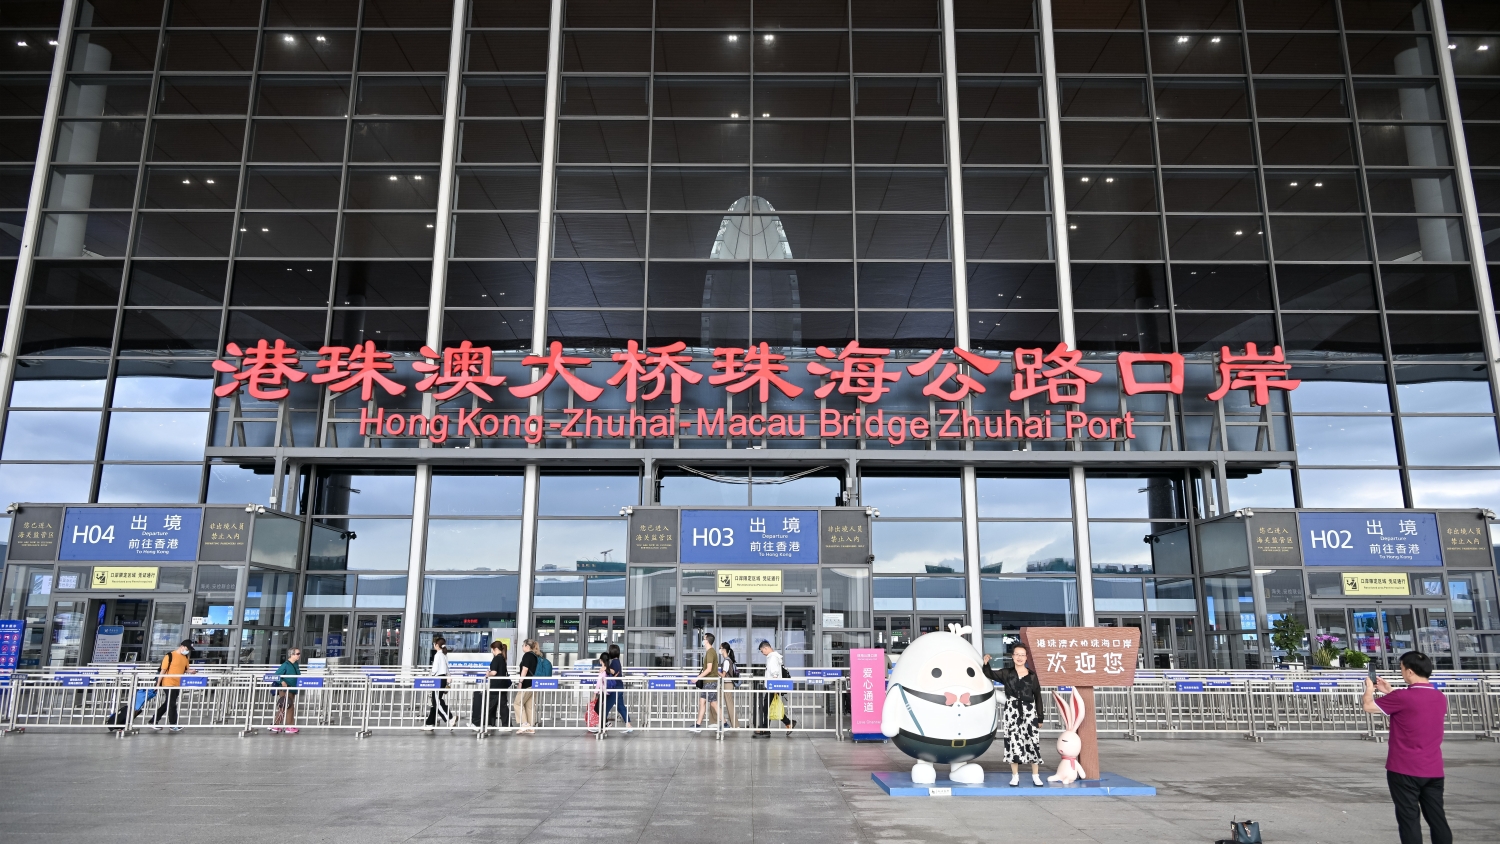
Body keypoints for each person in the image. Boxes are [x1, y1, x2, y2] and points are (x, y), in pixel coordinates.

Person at [1363, 651, 1451, 844]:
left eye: (1402, 668)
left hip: (1404, 768)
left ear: (1410, 671)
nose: (1402, 672)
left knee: (1409, 820)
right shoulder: (1439, 697)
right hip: (1433, 769)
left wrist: (1369, 688)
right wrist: (1390, 691)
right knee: (1437, 819)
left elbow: (1368, 706)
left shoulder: (1402, 696)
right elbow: (1414, 707)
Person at [984, 645, 1044, 787]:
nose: (1019, 657)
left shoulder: (1032, 676)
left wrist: (1040, 717)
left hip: (1029, 712)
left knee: (1032, 741)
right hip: (1012, 712)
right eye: (1017, 654)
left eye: (1022, 655)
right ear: (1012, 656)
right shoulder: (1007, 673)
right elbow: (990, 674)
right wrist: (986, 663)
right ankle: (1015, 776)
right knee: (1013, 742)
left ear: (1026, 657)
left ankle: (1036, 776)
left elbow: (1038, 697)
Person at [753, 640, 795, 738]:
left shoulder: (772, 658)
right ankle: (785, 723)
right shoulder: (774, 657)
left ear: (766, 648)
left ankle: (766, 729)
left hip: (773, 687)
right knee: (769, 708)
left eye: (762, 651)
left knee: (767, 708)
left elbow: (775, 673)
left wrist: (775, 687)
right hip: (772, 687)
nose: (762, 653)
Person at [152, 640, 195, 732]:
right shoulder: (169, 656)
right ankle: (173, 724)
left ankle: (153, 721)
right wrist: (158, 684)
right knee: (172, 704)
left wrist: (191, 671)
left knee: (168, 703)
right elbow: (163, 671)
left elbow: (184, 669)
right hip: (168, 683)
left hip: (177, 684)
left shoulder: (185, 657)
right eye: (187, 648)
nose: (187, 651)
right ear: (182, 646)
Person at [692, 632, 720, 733]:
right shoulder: (710, 652)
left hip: (710, 682)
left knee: (713, 704)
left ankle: (725, 723)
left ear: (707, 640)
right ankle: (697, 725)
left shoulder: (710, 652)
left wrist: (697, 678)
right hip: (708, 682)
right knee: (702, 702)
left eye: (704, 639)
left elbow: (709, 669)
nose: (703, 640)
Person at [602, 643, 633, 733]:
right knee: (620, 707)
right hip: (619, 687)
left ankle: (602, 725)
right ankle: (628, 725)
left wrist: (605, 668)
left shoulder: (615, 662)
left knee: (606, 706)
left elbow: (613, 671)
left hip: (615, 688)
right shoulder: (617, 661)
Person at [422, 635, 451, 732]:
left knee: (436, 701)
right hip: (443, 679)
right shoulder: (444, 655)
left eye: (434, 644)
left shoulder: (438, 655)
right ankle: (430, 723)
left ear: (437, 645)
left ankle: (449, 718)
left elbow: (434, 669)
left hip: (438, 679)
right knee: (435, 701)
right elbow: (447, 668)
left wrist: (430, 676)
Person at [271, 647, 301, 735]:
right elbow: (276, 675)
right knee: (289, 707)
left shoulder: (296, 664)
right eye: (297, 654)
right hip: (285, 689)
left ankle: (276, 725)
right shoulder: (285, 665)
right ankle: (289, 726)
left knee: (284, 707)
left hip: (292, 689)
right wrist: (282, 681)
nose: (299, 655)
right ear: (291, 654)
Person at [486, 640, 512, 732]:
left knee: (491, 706)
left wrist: (488, 674)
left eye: (492, 650)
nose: (492, 652)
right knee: (502, 706)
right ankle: (506, 724)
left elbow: (494, 672)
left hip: (496, 686)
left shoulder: (496, 659)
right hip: (502, 685)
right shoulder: (503, 659)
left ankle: (488, 723)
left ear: (496, 649)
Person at [516, 638, 540, 735]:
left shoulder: (527, 655)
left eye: (523, 645)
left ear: (527, 646)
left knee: (517, 703)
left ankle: (524, 724)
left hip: (527, 684)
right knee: (529, 706)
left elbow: (525, 670)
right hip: (535, 684)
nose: (522, 647)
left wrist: (520, 682)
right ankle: (530, 727)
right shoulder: (535, 656)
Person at [718, 642, 739, 730]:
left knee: (729, 704)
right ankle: (730, 723)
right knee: (719, 702)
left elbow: (723, 675)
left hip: (727, 683)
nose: (719, 650)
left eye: (720, 648)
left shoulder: (726, 661)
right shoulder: (728, 660)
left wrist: (716, 671)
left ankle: (735, 725)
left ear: (724, 650)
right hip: (726, 683)